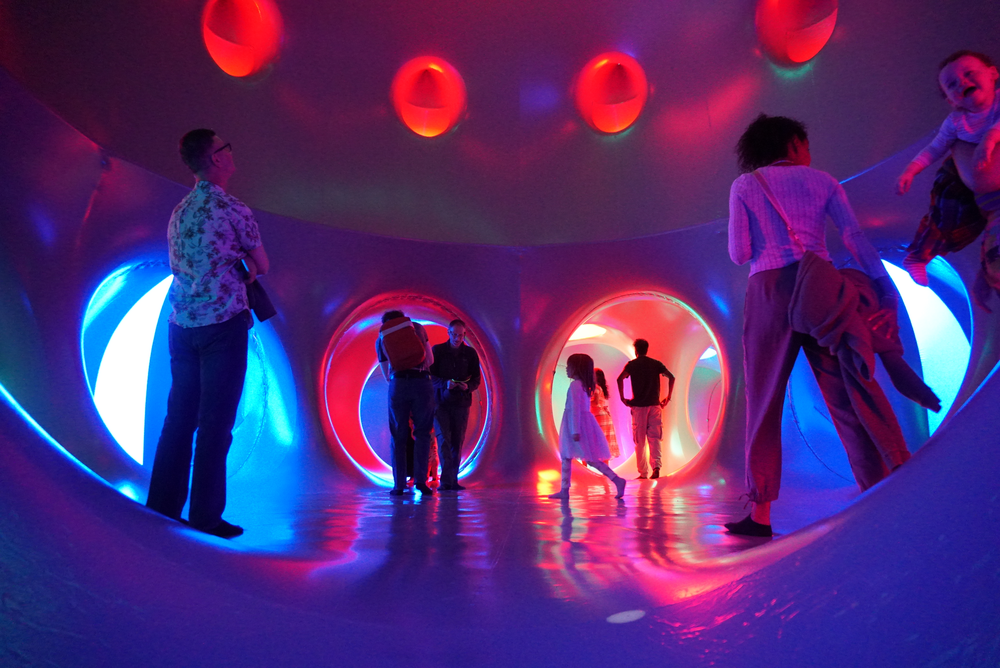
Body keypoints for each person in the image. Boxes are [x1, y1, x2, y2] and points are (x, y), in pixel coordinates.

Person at [726, 114, 910, 537]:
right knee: (844, 392)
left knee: (764, 400)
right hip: (821, 288)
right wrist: (882, 286)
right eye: (805, 145)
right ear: (793, 143)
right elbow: (853, 238)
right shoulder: (824, 181)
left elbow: (739, 253)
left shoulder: (745, 185)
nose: (809, 153)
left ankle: (761, 515)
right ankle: (879, 489)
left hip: (769, 292)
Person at [145, 129, 268, 539]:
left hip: (181, 326)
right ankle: (205, 517)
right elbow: (261, 265)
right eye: (225, 148)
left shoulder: (179, 212)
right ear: (215, 160)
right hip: (222, 326)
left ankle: (161, 506)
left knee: (178, 419)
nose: (230, 153)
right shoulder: (233, 208)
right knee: (216, 424)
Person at [896, 51, 1000, 285]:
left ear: (993, 73)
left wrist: (990, 138)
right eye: (952, 85)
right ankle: (918, 257)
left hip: (989, 194)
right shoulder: (955, 121)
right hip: (968, 188)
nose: (962, 82)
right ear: (951, 100)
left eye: (969, 73)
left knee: (971, 231)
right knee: (944, 219)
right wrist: (910, 171)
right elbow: (934, 148)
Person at [549, 354, 626, 500]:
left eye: (569, 366)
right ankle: (565, 490)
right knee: (580, 458)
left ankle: (616, 480)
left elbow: (576, 409)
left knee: (577, 457)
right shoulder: (584, 385)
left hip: (575, 425)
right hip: (581, 423)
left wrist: (575, 430)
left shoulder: (575, 385)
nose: (566, 369)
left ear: (576, 368)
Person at [377, 310, 435, 496]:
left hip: (398, 384)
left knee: (398, 435)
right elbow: (430, 359)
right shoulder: (418, 328)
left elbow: (386, 372)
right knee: (423, 433)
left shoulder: (381, 337)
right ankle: (421, 482)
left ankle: (399, 485)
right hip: (422, 383)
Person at [429, 319, 481, 491]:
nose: (457, 338)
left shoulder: (470, 354)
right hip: (441, 403)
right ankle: (446, 481)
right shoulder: (437, 351)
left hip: (461, 402)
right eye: (454, 334)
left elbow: (476, 380)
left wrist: (468, 386)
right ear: (448, 333)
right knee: (443, 440)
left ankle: (453, 480)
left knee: (457, 442)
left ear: (464, 335)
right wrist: (445, 383)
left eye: (460, 335)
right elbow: (430, 376)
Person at [616, 339, 675, 480]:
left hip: (638, 407)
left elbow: (620, 379)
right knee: (655, 438)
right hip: (655, 405)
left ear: (636, 350)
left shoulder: (632, 365)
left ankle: (643, 473)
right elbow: (671, 377)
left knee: (639, 440)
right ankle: (656, 468)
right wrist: (668, 397)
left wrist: (623, 398)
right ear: (647, 349)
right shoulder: (656, 364)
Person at [590, 368, 620, 459]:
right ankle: (605, 471)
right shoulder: (600, 388)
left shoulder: (594, 388)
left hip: (597, 418)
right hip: (604, 418)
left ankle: (585, 471)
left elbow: (595, 403)